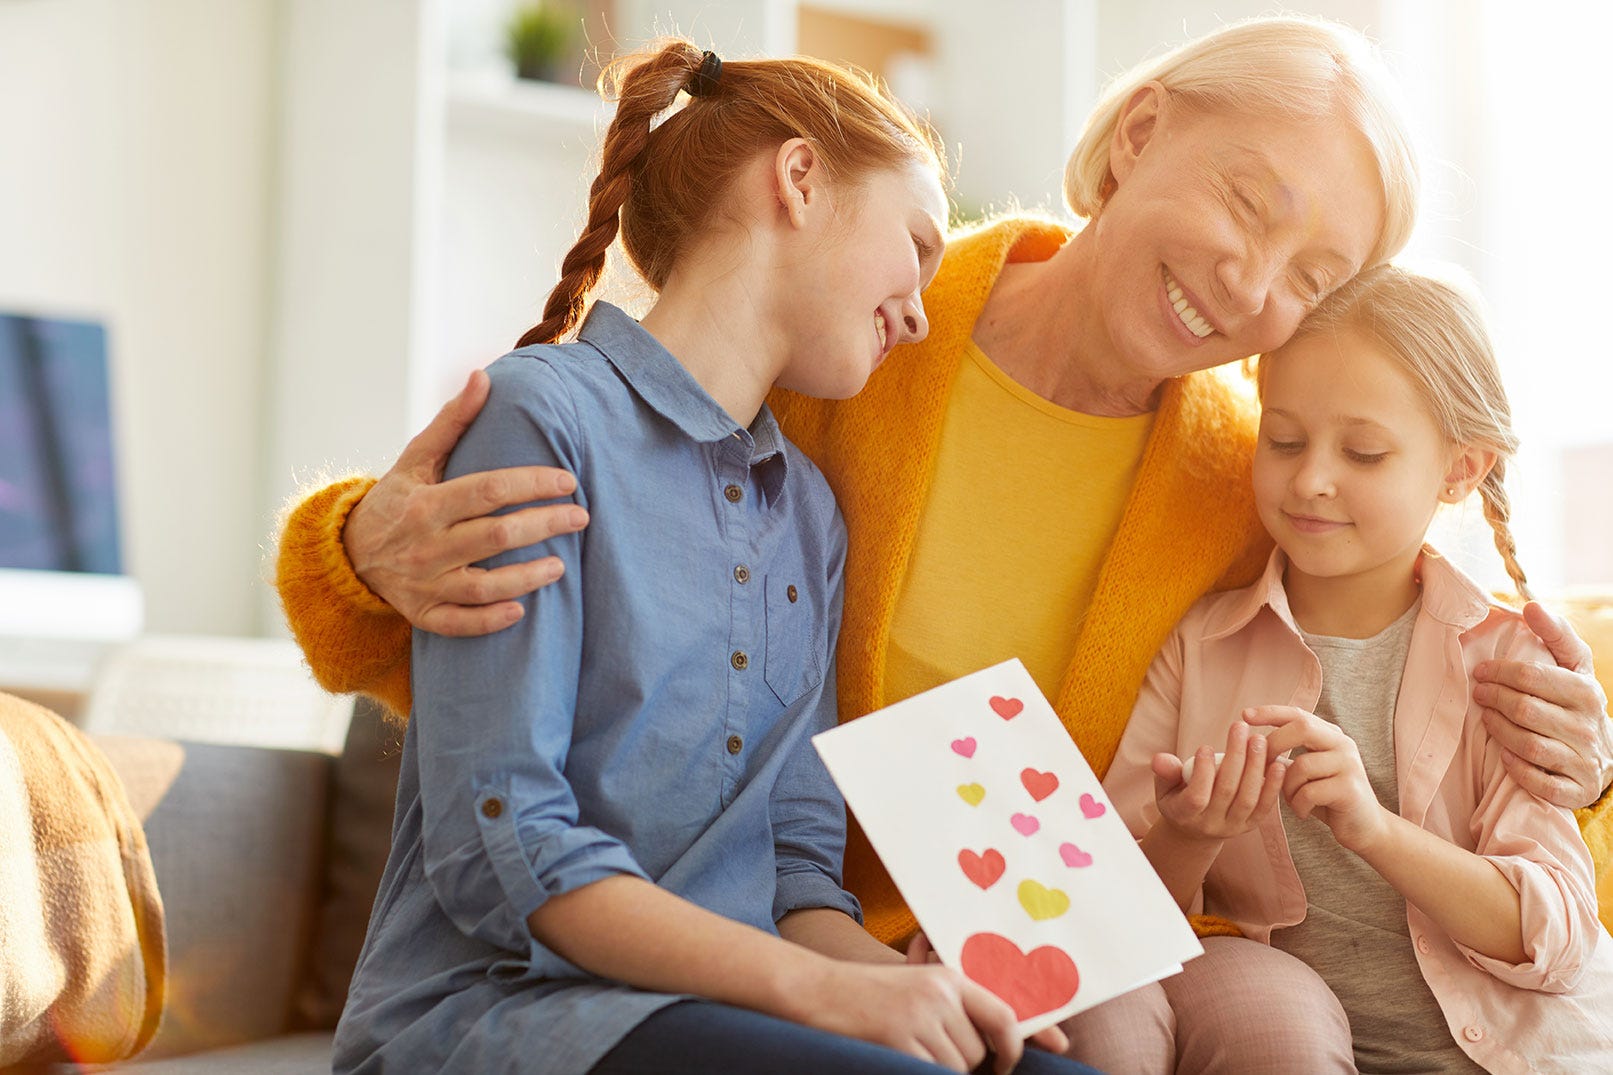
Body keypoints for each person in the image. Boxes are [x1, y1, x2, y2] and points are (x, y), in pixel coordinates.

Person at [278, 15, 1613, 1072]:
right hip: (747, 942)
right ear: (1143, 130)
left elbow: (1410, 654)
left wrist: (1581, 747)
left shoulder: (1252, 473)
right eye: (1251, 204)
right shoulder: (849, 322)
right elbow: (531, 636)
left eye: (1314, 275)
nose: (1255, 289)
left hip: (1034, 956)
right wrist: (359, 549)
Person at [328, 39, 1093, 1075]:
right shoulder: (541, 415)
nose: (919, 314)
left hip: (736, 1014)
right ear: (800, 178)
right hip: (504, 1019)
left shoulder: (809, 514)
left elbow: (794, 878)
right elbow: (500, 848)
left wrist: (909, 988)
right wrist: (822, 993)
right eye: (915, 247)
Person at [1103, 265, 1613, 1073]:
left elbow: (1552, 934)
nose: (1310, 478)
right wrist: (1187, 833)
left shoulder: (1507, 662)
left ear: (1459, 469)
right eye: (1283, 440)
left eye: (1364, 452)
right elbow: (1112, 920)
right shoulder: (1199, 648)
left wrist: (1374, 829)